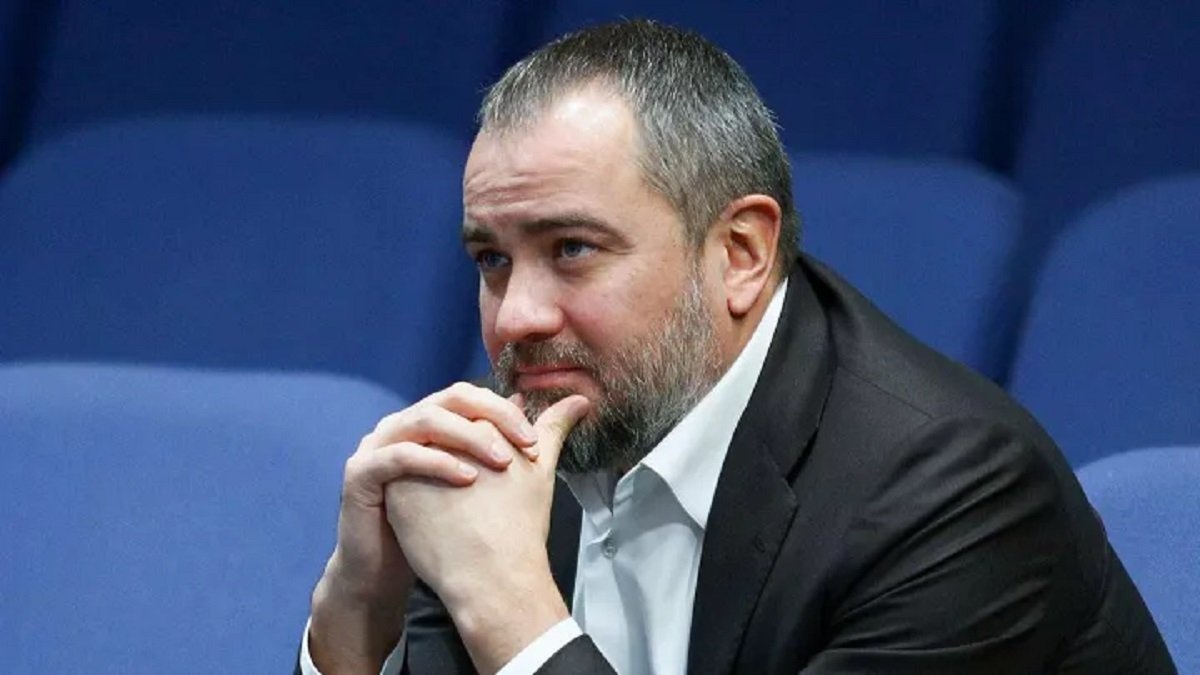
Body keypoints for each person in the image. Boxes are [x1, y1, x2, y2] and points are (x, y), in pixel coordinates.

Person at [297, 19, 1174, 675]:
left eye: (571, 249)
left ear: (741, 254)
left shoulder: (950, 494)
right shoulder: (532, 434)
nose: (515, 317)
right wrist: (355, 616)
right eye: (492, 259)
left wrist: (509, 608)